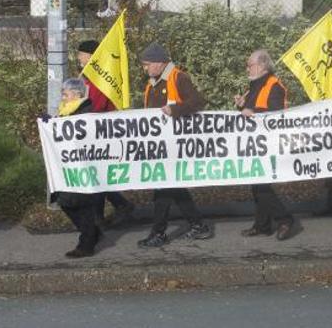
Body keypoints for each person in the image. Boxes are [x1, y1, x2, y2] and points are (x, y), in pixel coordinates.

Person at [136, 44, 213, 248]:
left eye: (147, 65)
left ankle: (158, 233)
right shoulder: (153, 83)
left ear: (159, 63)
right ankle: (198, 225)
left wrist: (175, 109)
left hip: (176, 145)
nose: (145, 69)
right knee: (174, 188)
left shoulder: (178, 78)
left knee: (163, 189)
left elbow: (198, 102)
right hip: (162, 145)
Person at [236, 50, 299, 240]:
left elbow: (276, 112)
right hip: (255, 142)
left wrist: (252, 111)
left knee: (261, 186)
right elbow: (251, 109)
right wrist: (242, 105)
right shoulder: (254, 85)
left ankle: (285, 219)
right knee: (257, 185)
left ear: (262, 66)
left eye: (250, 64)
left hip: (269, 142)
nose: (247, 68)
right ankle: (262, 225)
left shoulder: (274, 85)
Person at [75, 40, 135, 225]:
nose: (78, 57)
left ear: (91, 56)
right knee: (97, 175)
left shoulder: (99, 79)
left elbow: (96, 106)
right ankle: (118, 205)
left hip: (101, 133)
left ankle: (99, 218)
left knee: (97, 173)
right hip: (93, 131)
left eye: (81, 54)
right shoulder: (87, 77)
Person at [53, 78, 104, 257]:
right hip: (69, 167)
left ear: (77, 94)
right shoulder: (67, 111)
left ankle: (87, 242)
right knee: (66, 201)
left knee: (79, 204)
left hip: (82, 167)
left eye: (66, 94)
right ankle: (91, 234)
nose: (63, 98)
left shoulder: (84, 112)